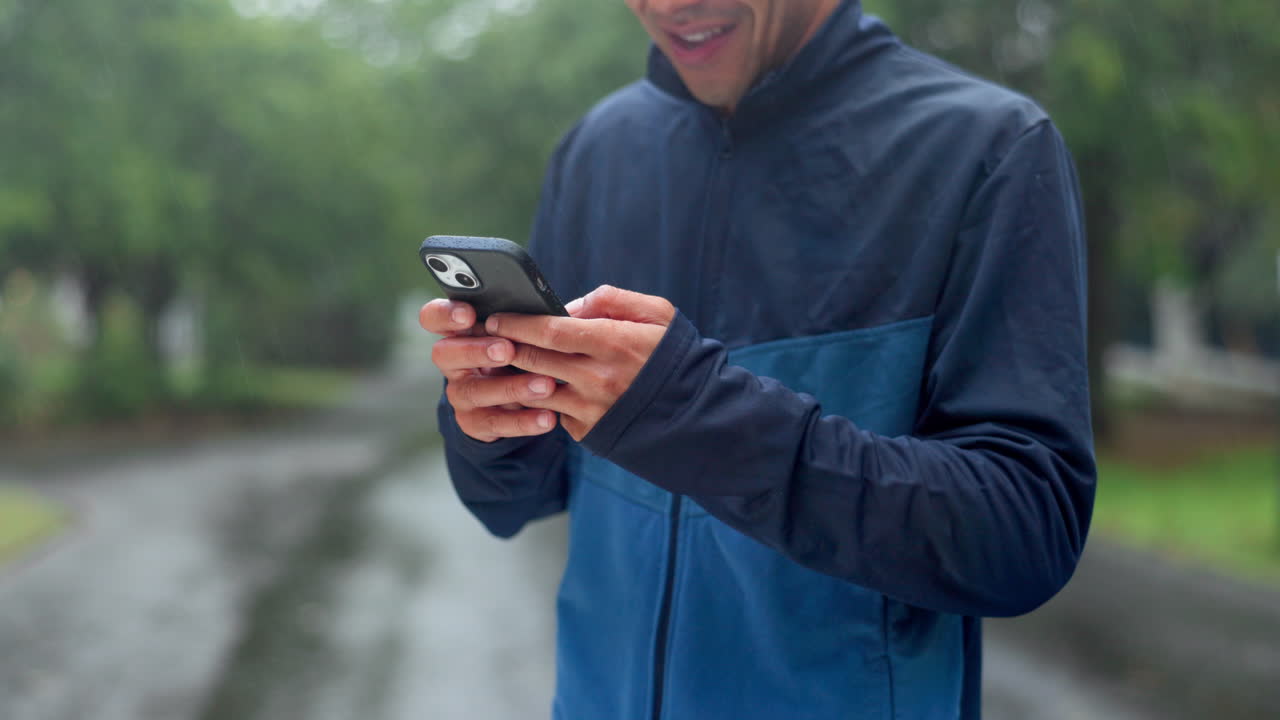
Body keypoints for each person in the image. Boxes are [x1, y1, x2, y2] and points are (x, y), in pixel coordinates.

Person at [419, 0, 1095, 717]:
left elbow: (1025, 536)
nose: (668, 5)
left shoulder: (986, 145)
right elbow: (513, 500)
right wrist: (488, 423)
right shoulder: (596, 149)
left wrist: (695, 417)